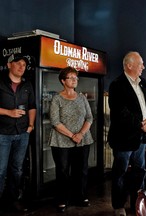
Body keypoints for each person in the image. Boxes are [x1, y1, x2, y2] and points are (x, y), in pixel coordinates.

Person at [108, 51, 146, 216]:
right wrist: (142, 125)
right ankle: (119, 206)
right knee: (119, 173)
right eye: (140, 63)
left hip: (140, 139)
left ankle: (137, 203)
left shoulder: (143, 82)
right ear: (129, 65)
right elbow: (121, 113)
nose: (143, 66)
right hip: (123, 138)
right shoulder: (116, 85)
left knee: (139, 171)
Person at [48, 66, 94, 213]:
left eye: (76, 78)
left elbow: (89, 117)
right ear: (63, 80)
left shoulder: (82, 97)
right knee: (63, 171)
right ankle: (62, 198)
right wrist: (72, 135)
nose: (75, 80)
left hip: (83, 139)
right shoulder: (57, 98)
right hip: (61, 140)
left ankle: (80, 196)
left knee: (81, 170)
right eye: (71, 78)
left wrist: (80, 134)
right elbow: (55, 122)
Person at [0, 53, 36, 212]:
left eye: (24, 64)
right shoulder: (0, 83)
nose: (22, 67)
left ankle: (13, 200)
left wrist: (30, 125)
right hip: (2, 133)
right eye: (18, 63)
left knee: (17, 169)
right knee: (0, 169)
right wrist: (9, 112)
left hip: (22, 133)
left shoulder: (27, 85)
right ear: (9, 65)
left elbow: (32, 106)